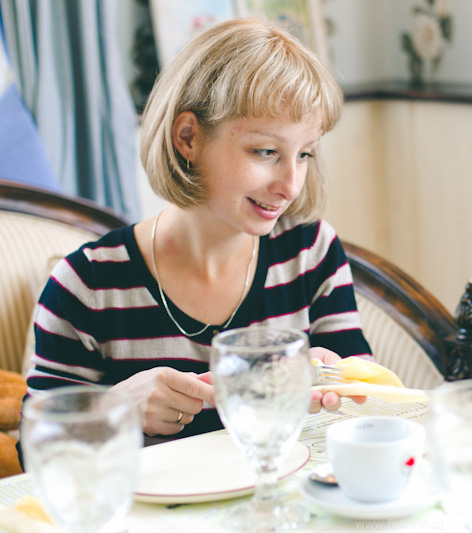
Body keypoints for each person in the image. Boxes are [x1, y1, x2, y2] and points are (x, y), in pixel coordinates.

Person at [23, 17, 370, 445]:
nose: (291, 185)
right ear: (187, 137)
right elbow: (35, 454)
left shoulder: (310, 253)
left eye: (304, 154)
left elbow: (366, 407)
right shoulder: (86, 285)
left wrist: (333, 379)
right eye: (265, 151)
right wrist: (114, 411)